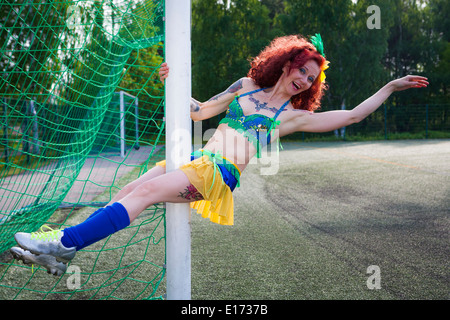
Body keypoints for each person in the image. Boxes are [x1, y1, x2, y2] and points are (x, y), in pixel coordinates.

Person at [10, 34, 428, 275]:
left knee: (145, 191)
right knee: (128, 189)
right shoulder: (245, 86)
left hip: (218, 175)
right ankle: (58, 256)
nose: (304, 79)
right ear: (288, 64)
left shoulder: (292, 118)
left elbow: (353, 116)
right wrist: (169, 83)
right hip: (197, 159)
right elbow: (198, 111)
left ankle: (63, 241)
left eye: (312, 78)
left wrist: (390, 87)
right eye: (302, 69)